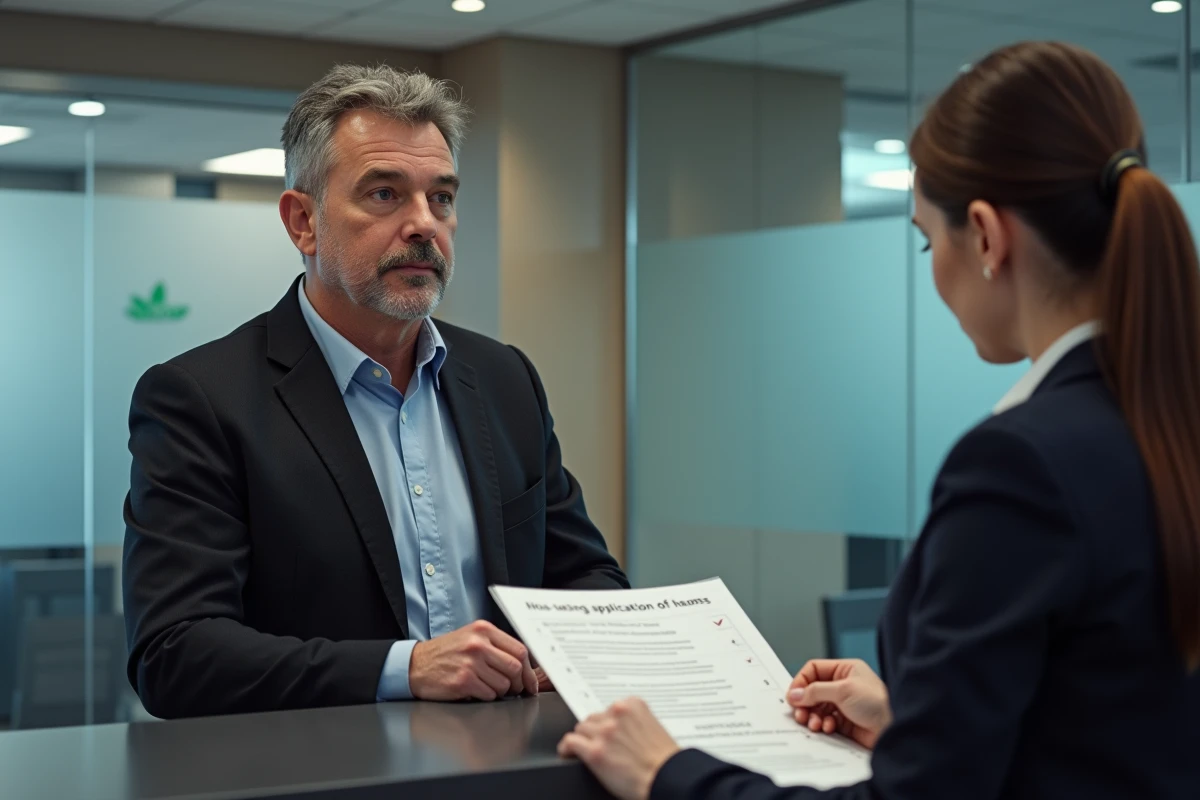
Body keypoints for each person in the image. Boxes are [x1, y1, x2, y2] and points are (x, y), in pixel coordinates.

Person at [557, 41, 1200, 800]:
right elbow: (1111, 723)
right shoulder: (1160, 421)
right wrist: (918, 721)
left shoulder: (1023, 464)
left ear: (989, 237)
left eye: (929, 239)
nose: (931, 268)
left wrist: (668, 773)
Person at [122, 64, 628, 719]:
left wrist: (565, 651)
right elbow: (175, 654)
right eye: (385, 195)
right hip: (324, 777)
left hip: (510, 771)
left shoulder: (504, 380)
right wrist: (406, 668)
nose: (424, 224)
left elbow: (587, 578)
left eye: (441, 198)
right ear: (302, 221)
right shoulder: (201, 400)